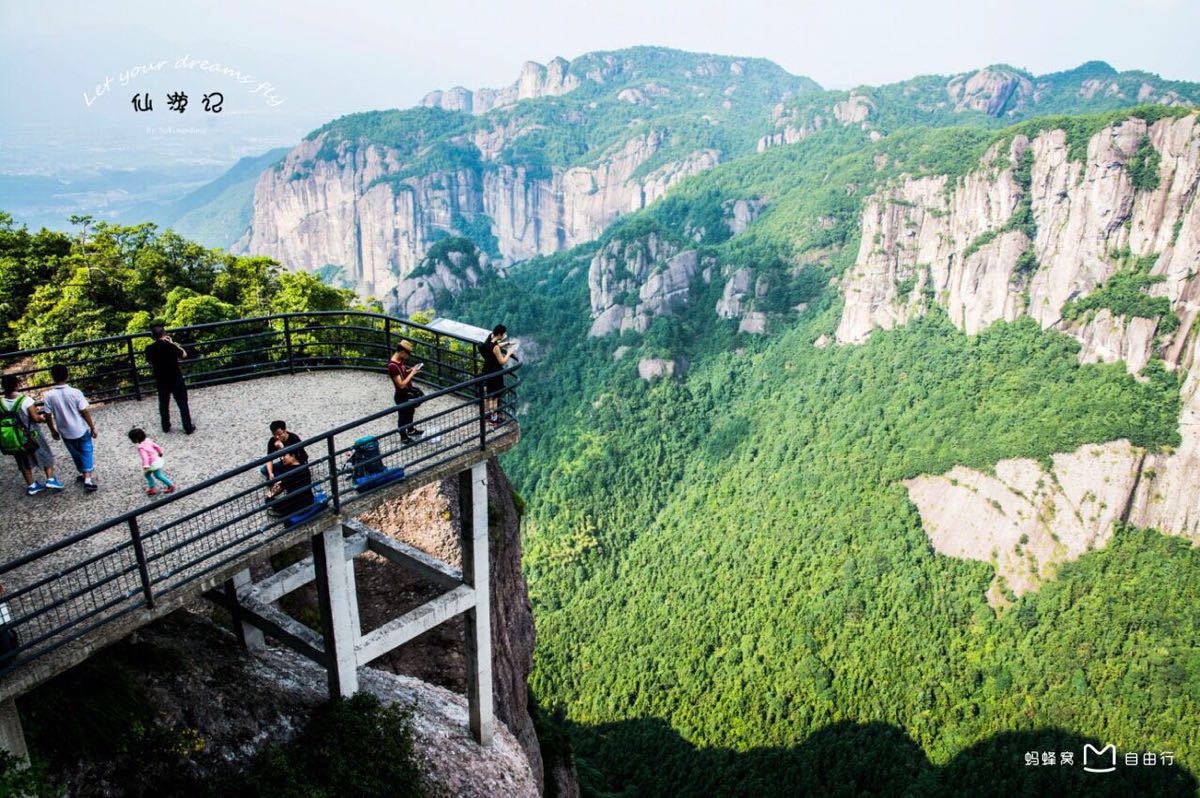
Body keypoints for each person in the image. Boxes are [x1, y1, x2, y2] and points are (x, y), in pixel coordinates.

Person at [1, 374, 65, 495]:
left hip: (14, 438)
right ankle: (50, 479)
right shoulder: (25, 400)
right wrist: (44, 419)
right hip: (31, 435)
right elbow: (35, 418)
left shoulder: (1, 403)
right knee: (44, 453)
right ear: (17, 385)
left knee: (23, 460)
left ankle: (31, 486)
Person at [41, 364, 99, 491]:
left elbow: (47, 415)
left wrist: (52, 430)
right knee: (86, 451)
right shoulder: (75, 392)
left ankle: (83, 474)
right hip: (80, 428)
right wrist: (92, 427)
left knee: (75, 454)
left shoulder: (48, 396)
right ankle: (88, 480)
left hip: (65, 431)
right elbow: (84, 411)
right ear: (67, 375)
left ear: (53, 377)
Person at [144, 325, 195, 434]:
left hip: (161, 379)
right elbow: (184, 354)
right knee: (182, 403)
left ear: (153, 336)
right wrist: (172, 343)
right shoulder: (170, 346)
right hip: (175, 378)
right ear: (164, 334)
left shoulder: (149, 349)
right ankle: (187, 427)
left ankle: (165, 426)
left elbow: (149, 360)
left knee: (163, 403)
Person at [387, 340, 425, 444]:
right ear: (402, 352)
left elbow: (403, 373)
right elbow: (401, 384)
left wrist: (412, 370)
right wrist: (412, 373)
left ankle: (411, 430)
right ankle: (403, 437)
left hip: (408, 392)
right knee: (403, 416)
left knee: (410, 412)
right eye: (407, 354)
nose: (408, 356)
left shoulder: (400, 361)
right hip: (401, 395)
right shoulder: (392, 366)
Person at [479, 324, 515, 425]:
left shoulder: (488, 341)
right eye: (503, 334)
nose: (504, 335)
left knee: (489, 394)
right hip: (495, 373)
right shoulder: (495, 347)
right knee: (494, 397)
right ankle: (494, 418)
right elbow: (502, 361)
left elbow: (496, 346)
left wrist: (507, 343)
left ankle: (487, 415)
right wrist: (508, 353)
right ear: (500, 334)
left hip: (487, 371)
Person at [127, 427, 176, 496]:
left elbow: (145, 457)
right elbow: (156, 446)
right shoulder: (147, 440)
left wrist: (146, 466)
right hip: (156, 460)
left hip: (152, 464)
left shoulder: (141, 447)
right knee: (152, 475)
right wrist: (160, 452)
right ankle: (154, 488)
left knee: (155, 475)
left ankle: (167, 486)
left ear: (136, 439)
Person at [265, 450, 314, 516]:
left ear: (293, 456)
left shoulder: (289, 472)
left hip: (297, 505)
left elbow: (281, 486)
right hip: (309, 500)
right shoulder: (303, 465)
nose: (282, 458)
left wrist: (271, 494)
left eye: (284, 455)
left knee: (268, 499)